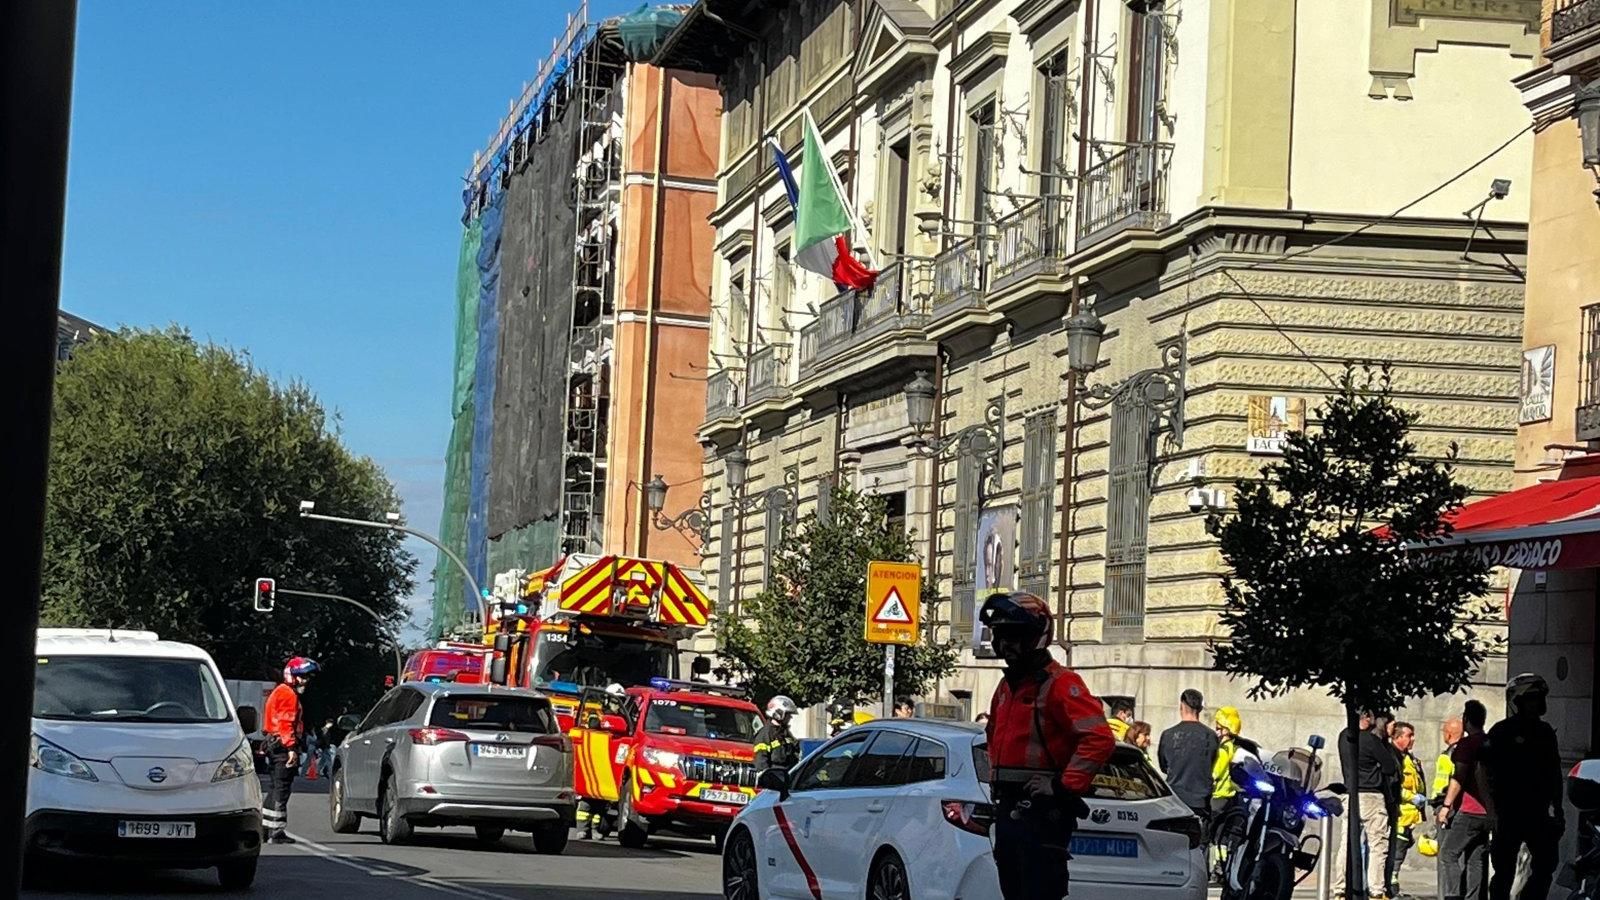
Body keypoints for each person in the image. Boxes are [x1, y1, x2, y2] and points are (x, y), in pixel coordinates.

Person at [980, 590, 1115, 900]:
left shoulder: (1060, 683)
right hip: (1010, 809)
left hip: (1041, 813)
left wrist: (1061, 786)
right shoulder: (1008, 685)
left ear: (1035, 636)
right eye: (1000, 635)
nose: (1005, 645)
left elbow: (1099, 739)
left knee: (1039, 890)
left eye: (1014, 635)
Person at [1483, 674, 1563, 900]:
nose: (1535, 704)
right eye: (1530, 699)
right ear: (1518, 702)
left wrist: (1558, 810)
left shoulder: (1545, 732)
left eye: (1538, 699)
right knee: (1504, 871)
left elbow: (1554, 773)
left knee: (1545, 866)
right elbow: (1484, 769)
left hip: (1538, 813)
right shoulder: (1502, 731)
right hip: (1508, 812)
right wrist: (1491, 811)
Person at [1333, 709, 1398, 900]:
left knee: (1347, 843)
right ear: (1367, 718)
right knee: (1378, 844)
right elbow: (1390, 767)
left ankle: (1340, 889)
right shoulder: (1371, 740)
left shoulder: (1344, 736)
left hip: (1350, 794)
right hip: (1372, 796)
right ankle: (1376, 890)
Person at [1438, 700, 1492, 900]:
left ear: (1466, 720)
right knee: (1475, 858)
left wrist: (1446, 806)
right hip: (1487, 812)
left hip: (1469, 810)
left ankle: (1453, 896)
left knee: (1448, 854)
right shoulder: (1489, 742)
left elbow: (1459, 777)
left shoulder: (1467, 744)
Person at [262, 656, 318, 844]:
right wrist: (292, 748)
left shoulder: (280, 691)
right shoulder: (288, 694)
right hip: (282, 746)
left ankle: (266, 828)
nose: (305, 681)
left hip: (274, 743)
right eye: (302, 676)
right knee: (282, 788)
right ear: (292, 676)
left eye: (307, 677)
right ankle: (276, 832)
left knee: (275, 786)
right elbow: (286, 723)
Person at [1159, 689, 1219, 820]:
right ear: (1200, 708)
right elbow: (1212, 762)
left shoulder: (1168, 735)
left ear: (1181, 706)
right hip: (1201, 800)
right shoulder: (1211, 735)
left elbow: (1163, 766)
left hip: (1175, 799)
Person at [1388, 722, 1428, 899]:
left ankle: (1393, 886)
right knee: (1396, 854)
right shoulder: (1395, 758)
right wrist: (1411, 797)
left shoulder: (1410, 759)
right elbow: (1394, 785)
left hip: (1410, 816)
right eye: (1409, 735)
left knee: (1401, 852)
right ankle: (1391, 888)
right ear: (1397, 737)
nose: (1413, 739)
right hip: (1400, 815)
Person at [754, 695, 801, 773]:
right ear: (779, 713)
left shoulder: (785, 733)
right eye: (788, 714)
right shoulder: (765, 734)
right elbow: (761, 761)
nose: (790, 717)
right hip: (774, 777)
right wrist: (768, 778)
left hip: (787, 775)